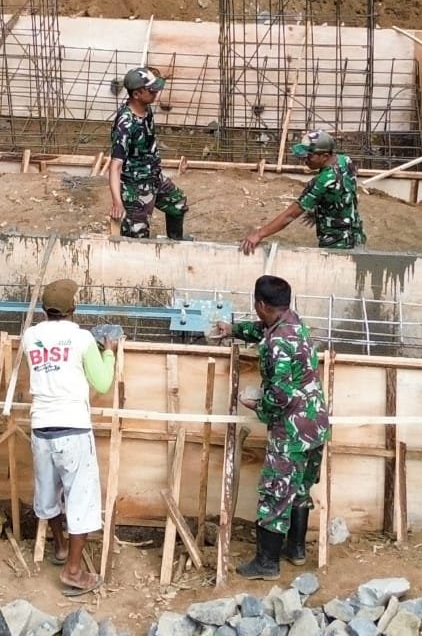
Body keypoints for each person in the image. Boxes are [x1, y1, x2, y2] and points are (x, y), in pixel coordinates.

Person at [209, 275, 330, 578]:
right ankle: (297, 550)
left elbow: (280, 395)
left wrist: (257, 406)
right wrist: (234, 330)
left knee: (276, 493)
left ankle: (267, 563)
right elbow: (263, 328)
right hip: (315, 424)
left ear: (261, 304)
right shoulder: (294, 323)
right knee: (300, 487)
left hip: (291, 430)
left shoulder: (277, 344)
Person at [21, 277, 119, 595]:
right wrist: (109, 353)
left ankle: (61, 548)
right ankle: (73, 571)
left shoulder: (30, 336)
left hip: (41, 429)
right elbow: (103, 384)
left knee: (48, 494)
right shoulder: (81, 339)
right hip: (73, 428)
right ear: (73, 308)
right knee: (81, 500)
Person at [240, 130, 365, 253]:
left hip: (337, 245)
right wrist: (322, 209)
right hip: (356, 236)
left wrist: (259, 234)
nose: (305, 159)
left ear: (325, 156)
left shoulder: (320, 182)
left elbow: (290, 215)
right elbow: (345, 190)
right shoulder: (346, 161)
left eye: (310, 155)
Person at [108, 67, 191, 239]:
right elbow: (115, 166)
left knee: (177, 204)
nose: (156, 94)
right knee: (137, 237)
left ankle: (175, 245)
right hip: (135, 187)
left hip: (153, 177)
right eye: (151, 91)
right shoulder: (125, 125)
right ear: (137, 94)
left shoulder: (146, 109)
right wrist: (117, 201)